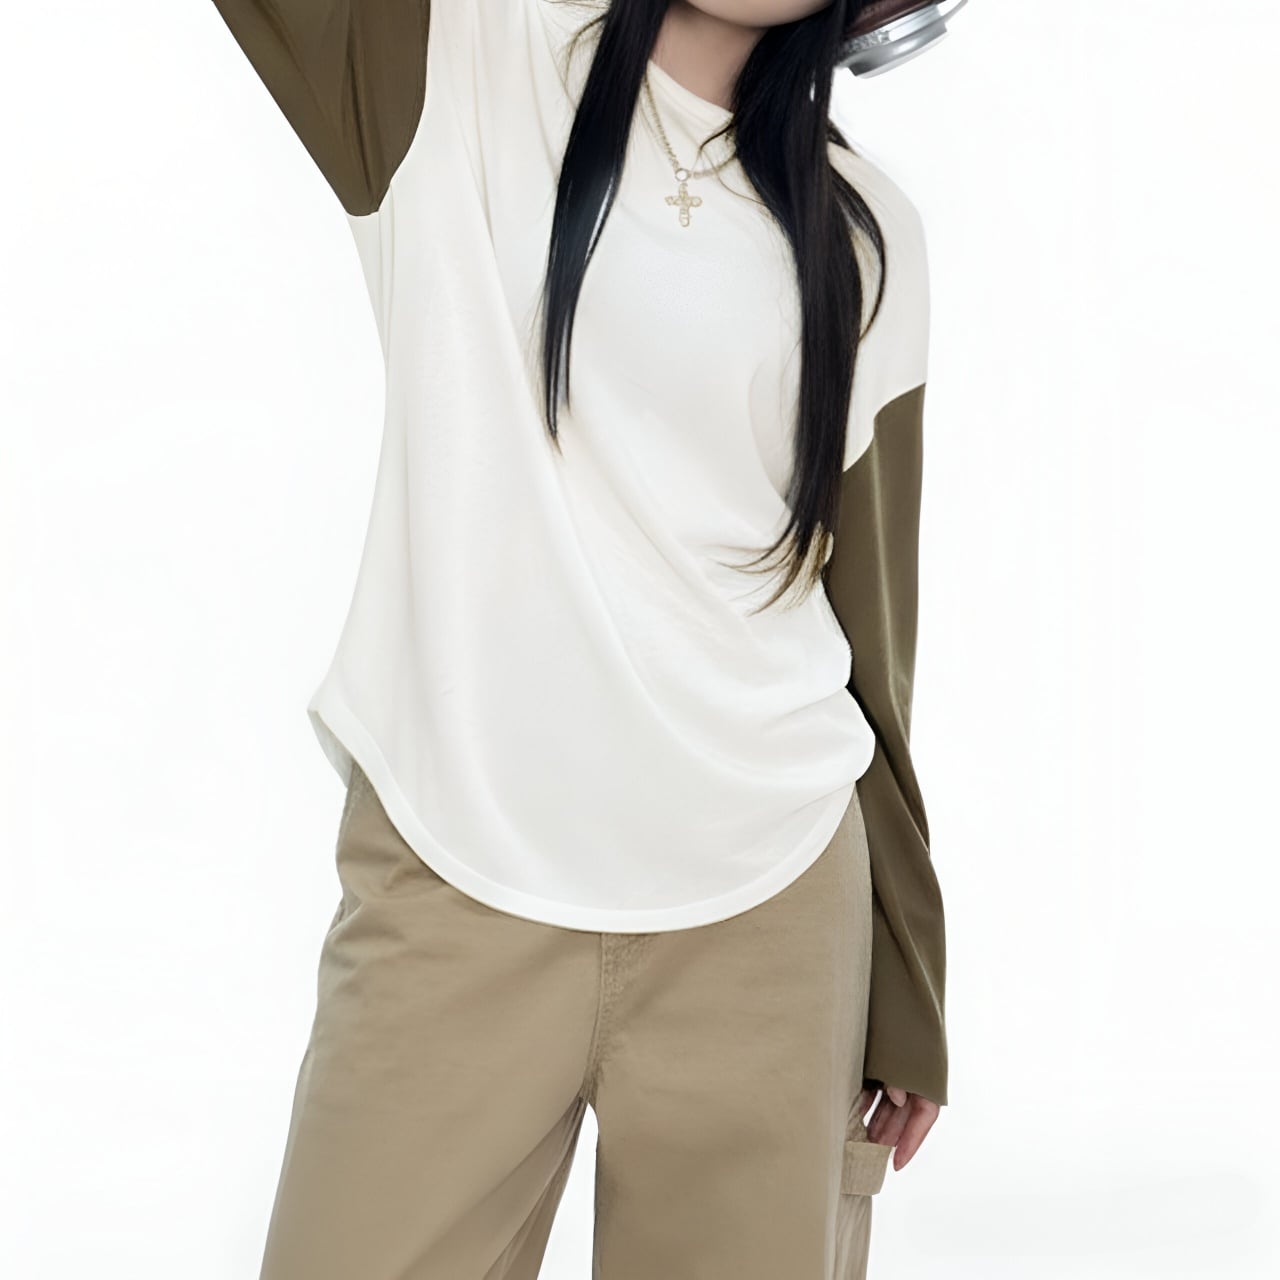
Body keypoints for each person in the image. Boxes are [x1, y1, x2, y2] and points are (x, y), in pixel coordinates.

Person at [208, 1, 948, 1275]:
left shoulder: (862, 232)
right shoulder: (448, 56)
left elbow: (869, 627)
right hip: (458, 865)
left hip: (769, 907)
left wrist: (906, 972)